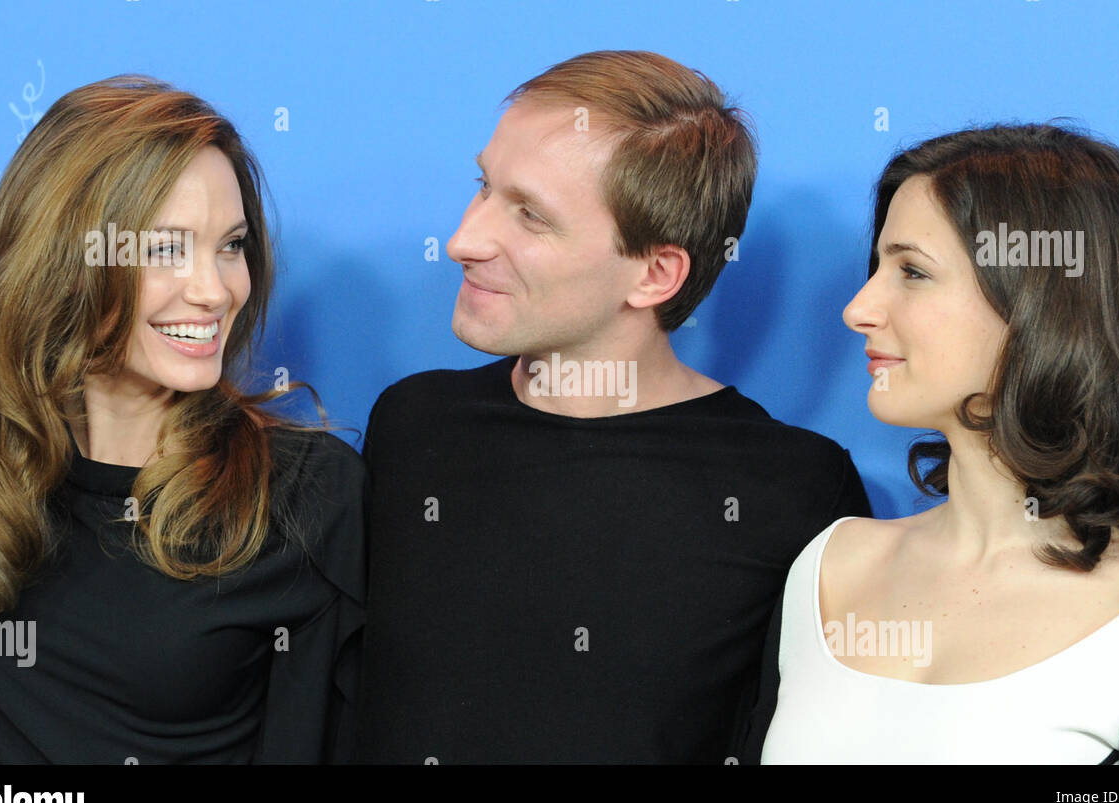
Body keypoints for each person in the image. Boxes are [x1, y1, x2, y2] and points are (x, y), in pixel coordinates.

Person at [355, 50, 870, 764]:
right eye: (483, 186)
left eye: (530, 216)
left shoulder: (792, 489)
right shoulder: (413, 426)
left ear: (655, 273)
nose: (463, 240)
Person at [751, 124, 1119, 763]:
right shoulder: (828, 569)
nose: (860, 307)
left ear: (1046, 305)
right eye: (878, 267)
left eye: (913, 271)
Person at [0, 75, 365, 763]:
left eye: (231, 244)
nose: (216, 289)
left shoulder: (303, 497)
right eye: (166, 248)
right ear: (64, 262)